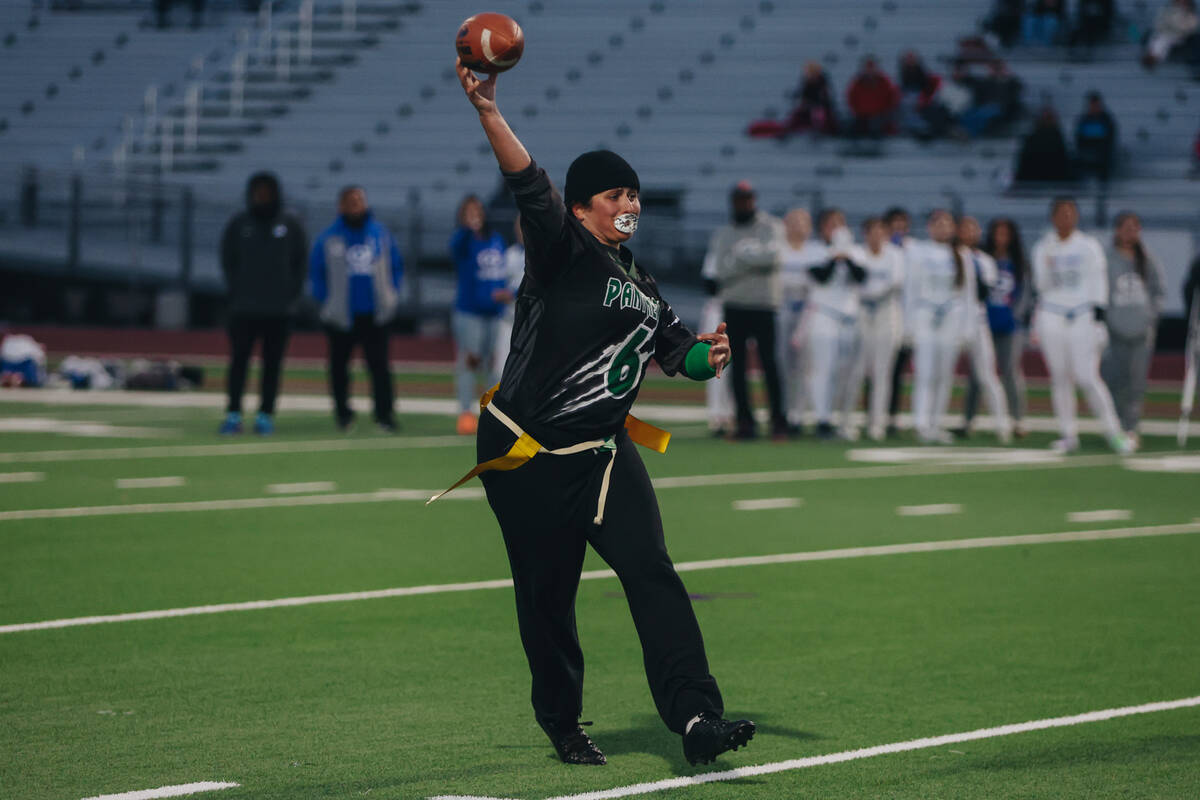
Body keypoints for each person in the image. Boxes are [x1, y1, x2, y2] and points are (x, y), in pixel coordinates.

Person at [445, 57, 753, 768]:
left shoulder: (644, 283)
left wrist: (715, 355)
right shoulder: (563, 248)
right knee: (548, 599)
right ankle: (562, 722)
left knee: (652, 570)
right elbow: (529, 184)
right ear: (582, 205)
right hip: (529, 453)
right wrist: (489, 109)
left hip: (606, 453)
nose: (630, 204)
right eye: (616, 193)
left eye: (635, 194)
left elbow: (682, 356)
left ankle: (698, 716)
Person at [1030, 197, 1130, 454]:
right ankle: (1068, 434)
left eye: (1070, 212)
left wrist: (1098, 320)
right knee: (1060, 377)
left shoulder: (1088, 246)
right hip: (1052, 314)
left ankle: (1114, 432)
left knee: (1087, 376)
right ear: (1052, 217)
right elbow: (1041, 287)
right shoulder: (1043, 247)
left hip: (1082, 315)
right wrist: (1049, 262)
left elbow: (1099, 282)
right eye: (1060, 213)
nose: (1065, 217)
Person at [218, 171, 307, 436]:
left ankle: (265, 415)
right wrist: (237, 292)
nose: (262, 196)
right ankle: (233, 414)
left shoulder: (290, 225)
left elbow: (300, 263)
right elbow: (228, 260)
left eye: (267, 191)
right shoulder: (239, 224)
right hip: (243, 309)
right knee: (238, 363)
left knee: (272, 365)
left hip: (278, 311)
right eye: (258, 191)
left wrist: (290, 295)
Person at [310, 185, 403, 432]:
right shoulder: (329, 237)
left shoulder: (379, 234)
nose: (357, 205)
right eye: (351, 201)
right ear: (341, 206)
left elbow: (396, 266)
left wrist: (391, 296)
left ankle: (384, 415)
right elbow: (317, 272)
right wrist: (326, 303)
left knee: (380, 367)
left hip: (376, 313)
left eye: (360, 200)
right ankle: (343, 414)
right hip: (341, 315)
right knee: (339, 367)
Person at [707, 181, 789, 440]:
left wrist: (740, 258)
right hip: (735, 305)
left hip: (764, 304)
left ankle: (778, 420)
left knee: (770, 364)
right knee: (736, 364)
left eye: (748, 199)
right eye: (739, 199)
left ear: (754, 200)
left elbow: (773, 259)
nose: (744, 204)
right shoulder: (723, 233)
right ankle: (745, 421)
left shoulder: (771, 227)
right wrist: (752, 260)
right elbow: (720, 271)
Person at [904, 209, 978, 444]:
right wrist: (909, 326)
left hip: (951, 318)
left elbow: (969, 295)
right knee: (924, 372)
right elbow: (910, 290)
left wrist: (967, 328)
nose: (943, 228)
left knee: (945, 374)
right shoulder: (917, 253)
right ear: (929, 227)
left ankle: (936, 423)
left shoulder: (962, 255)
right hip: (925, 315)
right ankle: (921, 423)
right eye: (938, 224)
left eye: (947, 224)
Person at [1101, 212, 1166, 449]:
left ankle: (1131, 427)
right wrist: (1107, 318)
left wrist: (1150, 316)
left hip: (1141, 331)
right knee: (1113, 378)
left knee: (1136, 381)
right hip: (1114, 329)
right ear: (1117, 230)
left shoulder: (1147, 259)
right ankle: (1115, 425)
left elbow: (1159, 291)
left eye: (1134, 228)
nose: (1130, 232)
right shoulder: (1106, 259)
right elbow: (1100, 290)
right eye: (1126, 227)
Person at [450, 195, 511, 435]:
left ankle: (489, 413)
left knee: (492, 363)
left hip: (494, 312)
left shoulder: (495, 240)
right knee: (470, 361)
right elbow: (457, 250)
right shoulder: (462, 241)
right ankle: (465, 413)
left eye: (477, 211)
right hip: (470, 312)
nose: (474, 215)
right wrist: (467, 228)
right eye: (469, 212)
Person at [967, 218, 1032, 438]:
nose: (1001, 238)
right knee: (978, 373)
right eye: (998, 233)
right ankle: (969, 418)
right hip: (985, 321)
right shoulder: (983, 258)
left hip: (1010, 324)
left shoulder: (1019, 261)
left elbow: (1025, 292)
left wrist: (1015, 316)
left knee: (1010, 371)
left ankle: (1017, 419)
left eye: (1005, 233)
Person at [806, 209, 866, 440]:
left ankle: (842, 418)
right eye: (832, 224)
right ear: (823, 228)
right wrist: (834, 256)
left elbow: (861, 276)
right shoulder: (815, 250)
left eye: (840, 223)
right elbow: (820, 276)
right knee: (824, 368)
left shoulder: (856, 252)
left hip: (848, 318)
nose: (837, 229)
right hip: (823, 314)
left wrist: (846, 256)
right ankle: (823, 419)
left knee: (845, 371)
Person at [953, 216, 1014, 443]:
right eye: (964, 228)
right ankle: (929, 425)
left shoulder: (985, 261)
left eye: (973, 228)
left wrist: (969, 265)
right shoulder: (948, 256)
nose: (969, 232)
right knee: (940, 374)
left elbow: (983, 293)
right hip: (951, 321)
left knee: (988, 373)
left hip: (977, 321)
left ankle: (1002, 424)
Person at [778, 208, 825, 432]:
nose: (798, 225)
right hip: (781, 309)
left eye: (803, 221)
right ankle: (782, 413)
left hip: (807, 311)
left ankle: (798, 414)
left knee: (805, 366)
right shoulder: (778, 249)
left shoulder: (816, 252)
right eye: (794, 220)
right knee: (781, 364)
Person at [884, 206, 914, 436]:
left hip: (907, 318)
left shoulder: (914, 250)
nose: (898, 228)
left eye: (902, 224)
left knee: (897, 371)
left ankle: (892, 415)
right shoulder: (880, 249)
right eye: (894, 224)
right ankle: (876, 414)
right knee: (876, 371)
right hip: (883, 317)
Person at [494, 215, 525, 377]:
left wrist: (513, 293)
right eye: (519, 226)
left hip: (533, 322)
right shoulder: (509, 254)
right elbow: (498, 282)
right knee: (501, 369)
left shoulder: (544, 254)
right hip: (508, 319)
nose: (521, 231)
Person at [846, 56, 900, 138]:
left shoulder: (884, 81)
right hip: (861, 115)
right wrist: (857, 111)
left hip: (880, 115)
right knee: (852, 130)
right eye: (867, 67)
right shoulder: (857, 82)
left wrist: (885, 111)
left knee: (875, 128)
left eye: (871, 67)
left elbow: (892, 97)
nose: (869, 70)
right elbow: (850, 98)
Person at [1015, 107, 1072, 183]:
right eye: (1047, 118)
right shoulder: (1033, 138)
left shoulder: (1058, 137)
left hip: (1053, 178)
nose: (1049, 121)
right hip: (1035, 178)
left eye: (1050, 118)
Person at [1075, 91, 1118, 183]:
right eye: (1092, 104)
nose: (1094, 107)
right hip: (1086, 154)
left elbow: (1110, 138)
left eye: (1096, 104)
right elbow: (1079, 138)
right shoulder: (1084, 120)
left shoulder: (1107, 119)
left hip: (1103, 154)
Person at [1143, 0, 1199, 67]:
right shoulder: (1167, 10)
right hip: (1166, 36)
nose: (1179, 3)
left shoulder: (1192, 19)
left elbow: (1187, 30)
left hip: (1176, 37)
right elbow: (1159, 23)